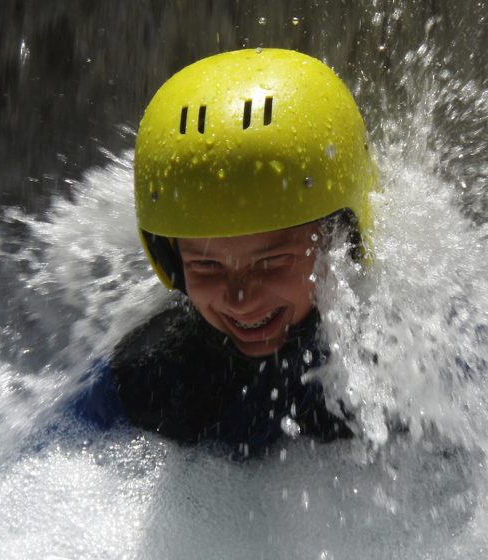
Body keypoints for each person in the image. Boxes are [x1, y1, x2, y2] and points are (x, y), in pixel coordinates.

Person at [72, 48, 378, 459]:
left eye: (271, 262)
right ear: (172, 261)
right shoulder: (149, 379)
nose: (240, 298)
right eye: (206, 266)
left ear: (338, 242)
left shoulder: (404, 361)